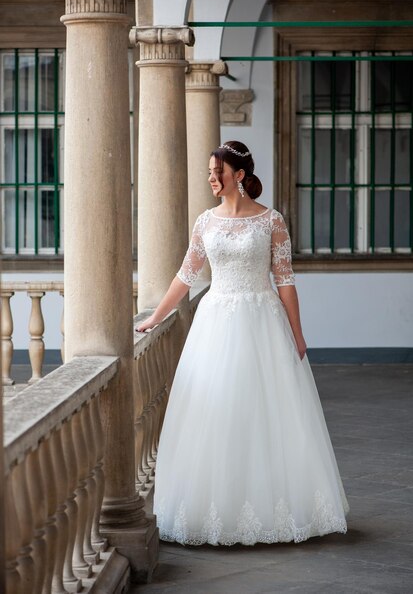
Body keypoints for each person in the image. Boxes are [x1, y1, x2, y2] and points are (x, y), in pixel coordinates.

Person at [136, 140, 349, 546]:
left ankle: (276, 508)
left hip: (262, 322)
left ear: (239, 175)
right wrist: (155, 316)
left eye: (218, 172)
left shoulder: (272, 221)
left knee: (266, 413)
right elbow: (187, 275)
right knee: (218, 412)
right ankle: (214, 510)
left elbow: (284, 281)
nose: (212, 179)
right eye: (209, 172)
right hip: (215, 322)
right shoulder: (205, 222)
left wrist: (297, 333)